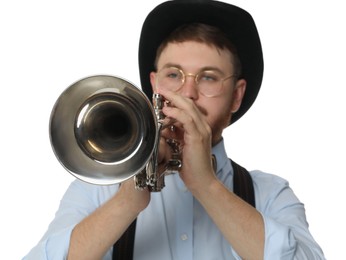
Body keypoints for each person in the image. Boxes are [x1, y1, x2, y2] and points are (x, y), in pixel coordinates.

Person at [24, 1, 325, 259]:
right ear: (154, 86)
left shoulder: (270, 193)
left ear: (236, 95)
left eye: (208, 77)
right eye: (173, 74)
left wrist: (206, 186)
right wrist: (128, 201)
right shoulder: (98, 191)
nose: (188, 93)